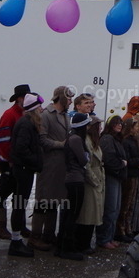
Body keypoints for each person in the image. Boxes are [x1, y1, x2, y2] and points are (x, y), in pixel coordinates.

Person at [32, 85, 74, 252]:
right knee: (43, 200)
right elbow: (41, 139)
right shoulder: (46, 115)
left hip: (61, 166)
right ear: (61, 98)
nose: (70, 101)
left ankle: (49, 234)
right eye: (68, 98)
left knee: (54, 201)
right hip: (49, 164)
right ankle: (35, 236)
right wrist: (61, 144)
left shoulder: (65, 116)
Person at [8, 93, 44, 257]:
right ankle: (15, 242)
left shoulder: (29, 123)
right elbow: (21, 148)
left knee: (20, 204)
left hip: (25, 168)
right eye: (40, 107)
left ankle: (17, 240)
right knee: (19, 204)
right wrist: (35, 161)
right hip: (23, 169)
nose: (42, 109)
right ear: (34, 109)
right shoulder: (26, 124)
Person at [0, 83, 30, 241]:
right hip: (8, 161)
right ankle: (0, 227)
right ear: (19, 99)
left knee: (19, 194)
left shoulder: (26, 114)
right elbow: (2, 139)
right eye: (25, 97)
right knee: (3, 193)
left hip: (20, 162)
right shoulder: (9, 114)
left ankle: (20, 225)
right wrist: (10, 159)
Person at [58, 112, 91, 261]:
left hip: (71, 178)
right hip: (76, 179)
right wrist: (86, 156)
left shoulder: (71, 137)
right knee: (73, 214)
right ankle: (67, 247)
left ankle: (61, 246)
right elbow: (83, 160)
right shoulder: (76, 139)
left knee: (68, 213)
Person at [75, 116, 105, 255]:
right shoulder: (87, 141)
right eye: (98, 126)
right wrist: (94, 180)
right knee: (88, 213)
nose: (100, 129)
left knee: (93, 212)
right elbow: (87, 164)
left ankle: (85, 242)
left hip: (97, 178)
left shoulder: (94, 141)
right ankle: (82, 243)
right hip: (91, 180)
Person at [97, 115, 127, 249]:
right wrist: (121, 164)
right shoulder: (108, 139)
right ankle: (103, 238)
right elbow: (108, 159)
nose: (119, 125)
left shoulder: (117, 139)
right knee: (110, 208)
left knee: (115, 208)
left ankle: (109, 237)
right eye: (116, 123)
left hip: (117, 176)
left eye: (121, 123)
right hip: (111, 176)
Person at [117, 117, 139, 241]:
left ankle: (128, 228)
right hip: (129, 176)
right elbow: (128, 160)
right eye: (135, 127)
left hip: (135, 174)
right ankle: (120, 230)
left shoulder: (134, 140)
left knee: (131, 204)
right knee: (125, 204)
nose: (137, 129)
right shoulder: (126, 141)